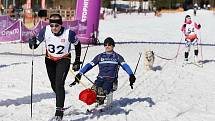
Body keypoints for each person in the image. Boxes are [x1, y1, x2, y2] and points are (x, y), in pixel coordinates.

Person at [29, 14, 81, 120]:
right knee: (54, 85)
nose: (54, 28)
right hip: (49, 60)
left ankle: (59, 111)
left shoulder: (68, 33)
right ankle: (60, 99)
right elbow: (34, 46)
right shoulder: (46, 30)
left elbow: (77, 44)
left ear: (61, 25)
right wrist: (32, 42)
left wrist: (77, 60)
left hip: (64, 59)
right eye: (52, 25)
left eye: (56, 25)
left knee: (59, 84)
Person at [70, 37, 136, 105]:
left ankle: (102, 102)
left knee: (102, 91)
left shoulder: (117, 57)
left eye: (109, 45)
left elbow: (125, 66)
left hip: (111, 80)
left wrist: (131, 74)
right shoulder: (100, 56)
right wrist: (80, 73)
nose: (107, 46)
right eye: (105, 45)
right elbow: (89, 65)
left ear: (113, 46)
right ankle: (96, 102)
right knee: (92, 91)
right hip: (100, 79)